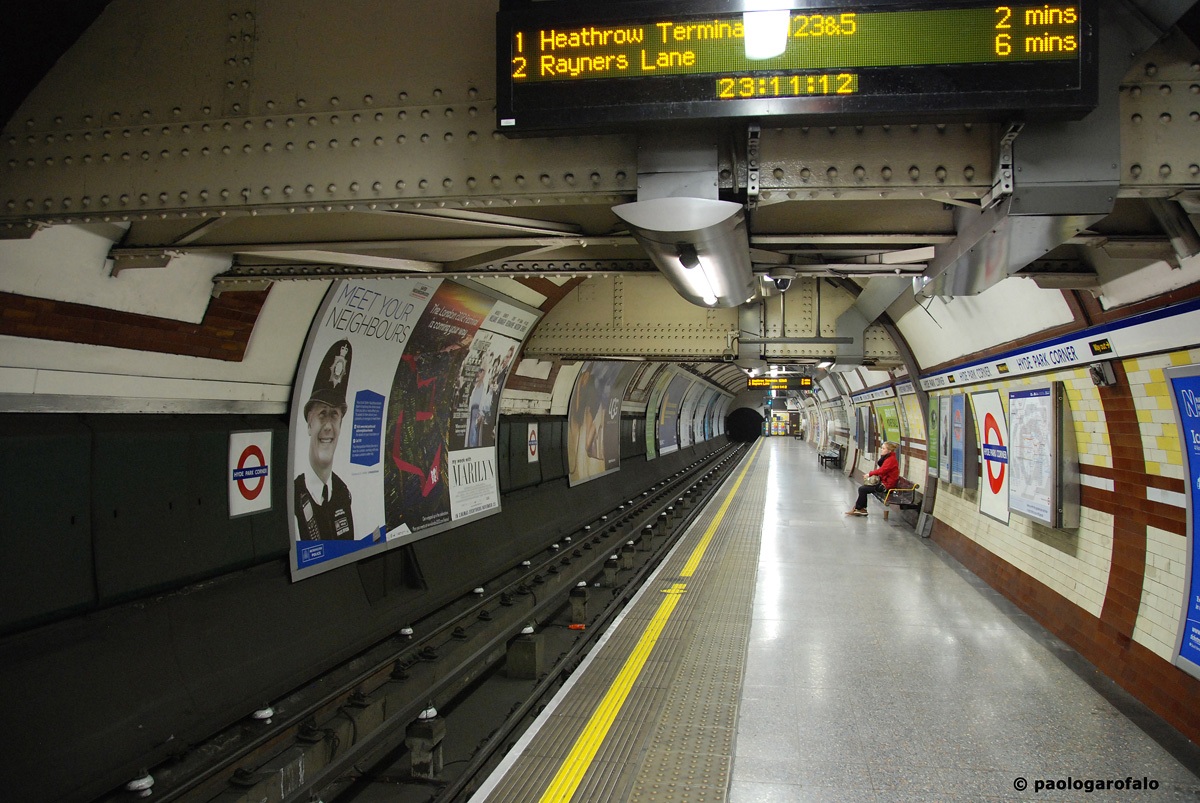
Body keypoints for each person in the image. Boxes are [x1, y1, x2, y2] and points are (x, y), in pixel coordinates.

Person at [294, 339, 356, 540]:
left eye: (334, 415)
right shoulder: (293, 497)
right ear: (309, 424)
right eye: (322, 414)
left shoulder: (342, 493)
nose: (328, 426)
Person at [846, 440, 899, 516]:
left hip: (887, 486)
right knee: (863, 488)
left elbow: (882, 470)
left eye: (883, 448)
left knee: (863, 489)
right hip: (884, 483)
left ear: (889, 450)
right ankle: (860, 508)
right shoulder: (889, 458)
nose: (881, 449)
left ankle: (860, 509)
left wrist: (869, 474)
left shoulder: (891, 460)